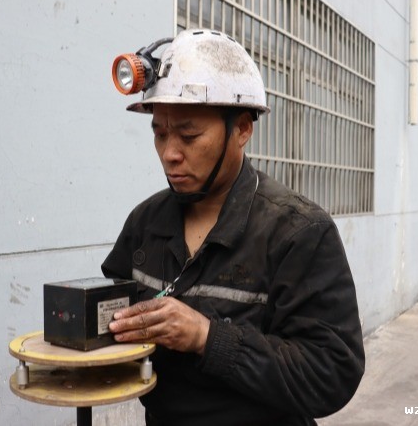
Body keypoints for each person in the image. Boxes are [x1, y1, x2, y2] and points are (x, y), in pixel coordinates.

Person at [102, 29, 364, 426]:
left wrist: (207, 338)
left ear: (242, 129)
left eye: (189, 135)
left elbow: (332, 373)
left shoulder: (298, 232)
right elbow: (114, 319)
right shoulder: (145, 223)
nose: (170, 153)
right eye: (160, 133)